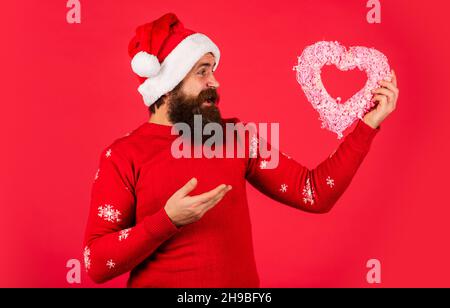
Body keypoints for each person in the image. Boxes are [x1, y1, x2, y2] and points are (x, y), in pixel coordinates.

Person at [83, 13, 399, 287]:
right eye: (202, 71)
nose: (215, 81)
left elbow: (313, 192)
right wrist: (168, 219)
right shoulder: (123, 155)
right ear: (168, 84)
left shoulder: (237, 137)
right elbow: (96, 263)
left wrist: (367, 125)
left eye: (213, 69)